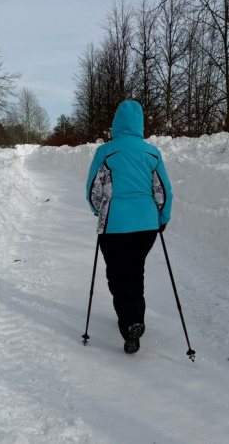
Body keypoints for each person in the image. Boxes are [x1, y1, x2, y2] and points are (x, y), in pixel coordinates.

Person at [85, 100, 172, 354]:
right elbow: (163, 191)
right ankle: (136, 319)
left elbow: (93, 190)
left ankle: (131, 322)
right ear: (140, 124)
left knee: (118, 275)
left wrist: (99, 211)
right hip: (146, 226)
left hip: (115, 225)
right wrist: (162, 218)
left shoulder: (106, 151)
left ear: (116, 124)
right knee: (136, 271)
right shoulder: (152, 153)